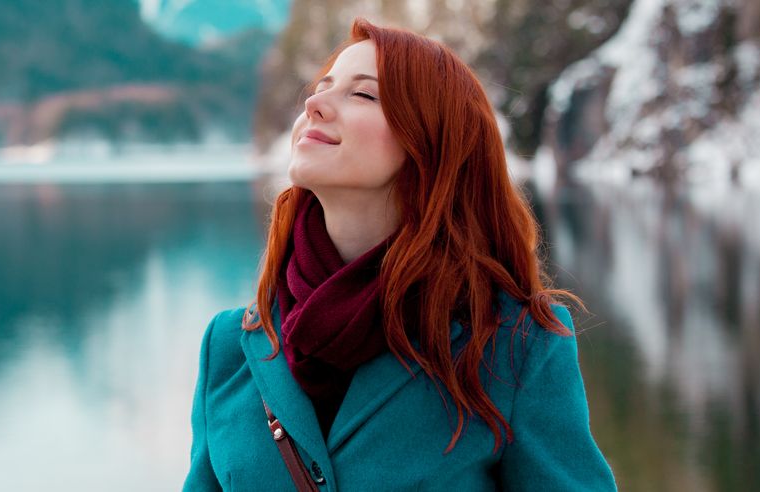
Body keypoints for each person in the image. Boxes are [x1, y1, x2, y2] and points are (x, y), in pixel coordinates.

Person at [183, 18, 617, 491]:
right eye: (321, 87)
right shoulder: (228, 347)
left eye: (363, 95)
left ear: (431, 143)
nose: (313, 104)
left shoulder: (515, 347)